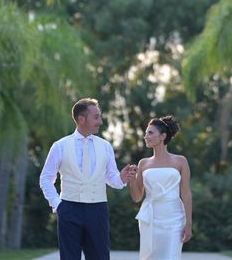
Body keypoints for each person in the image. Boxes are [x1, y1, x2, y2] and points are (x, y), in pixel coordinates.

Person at [39, 98, 137, 260]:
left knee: (100, 257)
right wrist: (58, 205)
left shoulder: (105, 146)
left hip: (97, 210)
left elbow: (112, 178)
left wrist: (122, 177)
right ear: (81, 119)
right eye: (96, 117)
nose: (101, 121)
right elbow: (45, 179)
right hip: (69, 209)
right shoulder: (60, 146)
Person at [129, 115, 193, 260]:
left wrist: (188, 224)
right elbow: (137, 197)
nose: (146, 136)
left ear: (163, 136)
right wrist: (132, 179)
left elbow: (186, 194)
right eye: (145, 133)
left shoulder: (180, 161)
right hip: (150, 219)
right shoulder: (143, 163)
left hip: (174, 218)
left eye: (150, 133)